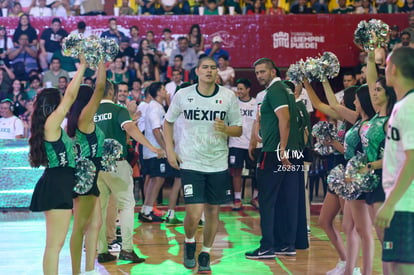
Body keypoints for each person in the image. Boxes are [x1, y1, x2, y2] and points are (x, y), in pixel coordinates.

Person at [164, 56, 242, 273]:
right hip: (190, 161)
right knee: (194, 213)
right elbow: (168, 122)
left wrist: (226, 129)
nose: (209, 71)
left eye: (213, 68)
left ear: (218, 72)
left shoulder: (228, 97)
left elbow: (238, 129)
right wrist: (170, 151)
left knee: (212, 212)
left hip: (217, 162)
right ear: (197, 71)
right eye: (205, 67)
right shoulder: (183, 95)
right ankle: (189, 242)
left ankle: (206, 252)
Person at [28, 55, 87, 275]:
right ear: (53, 105)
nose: (65, 102)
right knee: (54, 245)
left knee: (56, 244)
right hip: (56, 183)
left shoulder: (54, 126)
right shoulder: (52, 123)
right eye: (60, 100)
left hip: (59, 181)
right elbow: (71, 95)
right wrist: (81, 67)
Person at [95, 81, 163, 264]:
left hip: (96, 166)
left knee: (100, 209)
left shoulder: (90, 112)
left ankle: (101, 251)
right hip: (116, 164)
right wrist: (152, 147)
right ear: (113, 92)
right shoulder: (118, 110)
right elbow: (130, 129)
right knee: (126, 206)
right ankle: (127, 249)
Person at [245, 58, 302, 259]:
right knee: (285, 200)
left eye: (263, 71)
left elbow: (285, 119)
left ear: (273, 71)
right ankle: (286, 245)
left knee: (267, 201)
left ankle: (267, 247)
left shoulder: (276, 90)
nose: (259, 75)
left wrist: (282, 149)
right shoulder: (286, 90)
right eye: (257, 72)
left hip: (275, 153)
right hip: (290, 153)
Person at [375, 47, 414, 275]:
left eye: (386, 64)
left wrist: (390, 204)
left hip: (405, 204)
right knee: (392, 267)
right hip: (400, 201)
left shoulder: (409, 107)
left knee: (403, 269)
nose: (384, 68)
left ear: (394, 68)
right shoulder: (402, 105)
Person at [66, 60, 106, 275]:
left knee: (95, 224)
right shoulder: (84, 118)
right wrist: (101, 61)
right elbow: (100, 88)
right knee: (81, 227)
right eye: (90, 98)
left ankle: (89, 269)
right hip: (85, 177)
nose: (95, 100)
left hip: (88, 175)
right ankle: (77, 272)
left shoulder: (76, 120)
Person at [228, 78, 256, 210]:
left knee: (256, 171)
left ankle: (255, 197)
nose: (238, 91)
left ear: (248, 89)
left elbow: (258, 123)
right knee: (236, 171)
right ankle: (237, 198)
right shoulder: (233, 103)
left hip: (252, 143)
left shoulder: (256, 103)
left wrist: (255, 141)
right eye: (237, 89)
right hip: (236, 143)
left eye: (241, 89)